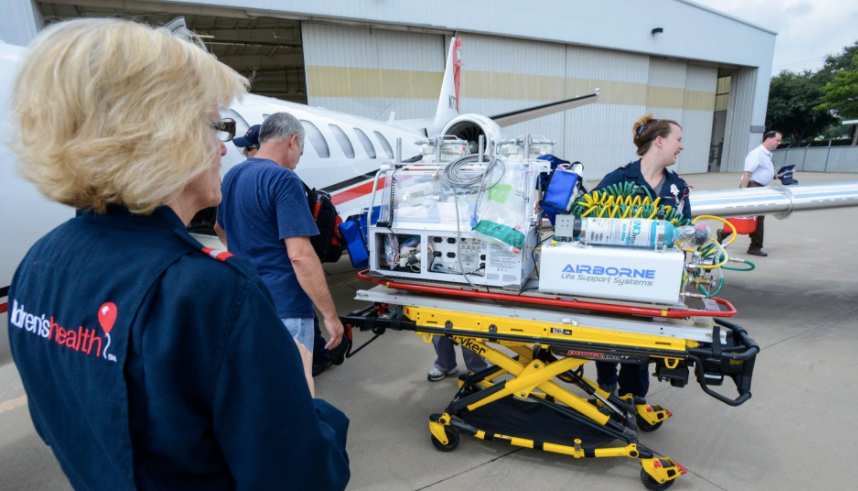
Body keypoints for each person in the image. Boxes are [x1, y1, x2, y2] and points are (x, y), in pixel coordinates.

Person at [6, 19, 349, 490]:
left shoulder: (39, 265)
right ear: (167, 137)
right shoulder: (213, 295)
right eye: (216, 126)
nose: (223, 147)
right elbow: (305, 475)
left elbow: (56, 425)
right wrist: (302, 397)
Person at [215, 113, 344, 354]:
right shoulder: (284, 178)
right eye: (301, 150)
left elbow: (219, 229)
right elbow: (300, 255)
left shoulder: (232, 175)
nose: (298, 158)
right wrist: (330, 316)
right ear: (293, 141)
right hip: (287, 308)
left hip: (249, 301)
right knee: (294, 386)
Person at [593, 114, 691, 398]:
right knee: (609, 339)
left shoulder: (678, 189)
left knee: (642, 346)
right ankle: (607, 383)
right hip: (615, 280)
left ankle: (634, 397)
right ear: (659, 141)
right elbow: (588, 223)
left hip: (655, 285)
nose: (681, 147)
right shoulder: (619, 180)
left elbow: (684, 231)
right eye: (678, 140)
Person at [716, 130, 783, 257]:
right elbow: (747, 174)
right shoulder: (757, 154)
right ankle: (755, 247)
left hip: (759, 188)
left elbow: (767, 172)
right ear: (769, 139)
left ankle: (723, 233)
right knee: (756, 217)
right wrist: (743, 193)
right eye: (777, 140)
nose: (778, 143)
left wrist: (779, 175)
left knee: (745, 216)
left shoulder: (767, 155)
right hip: (752, 187)